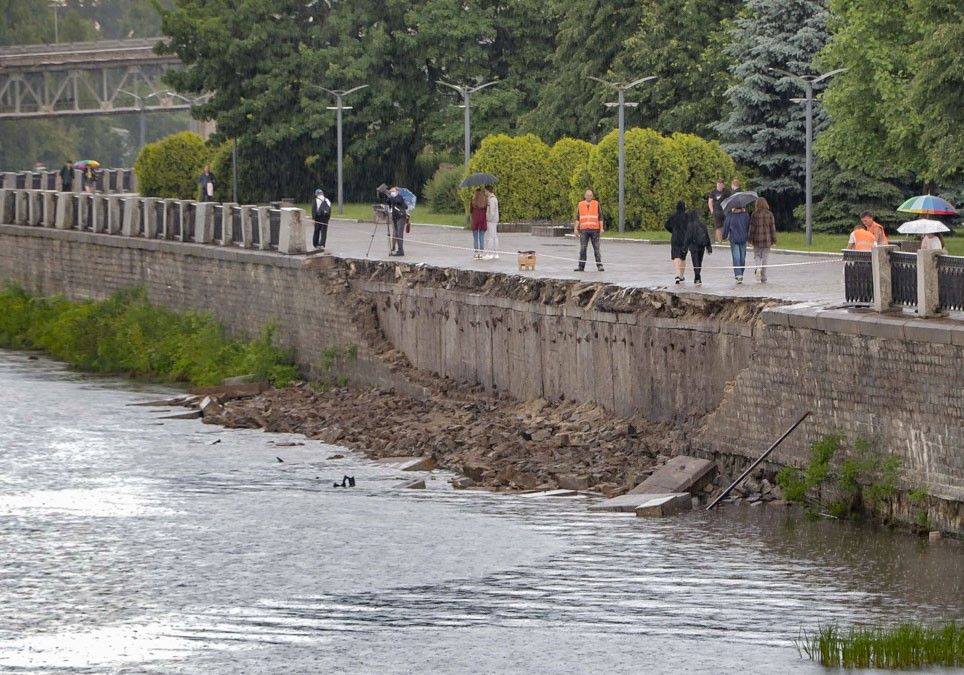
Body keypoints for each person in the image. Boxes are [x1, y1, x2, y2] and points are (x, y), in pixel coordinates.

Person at [574, 189, 604, 272]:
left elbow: (600, 217)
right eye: (587, 195)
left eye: (590, 195)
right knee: (583, 248)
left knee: (596, 248)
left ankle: (599, 265)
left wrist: (601, 228)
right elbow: (577, 218)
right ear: (585, 196)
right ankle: (581, 266)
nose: (589, 197)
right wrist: (576, 228)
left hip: (595, 230)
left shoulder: (596, 203)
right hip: (584, 230)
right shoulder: (580, 204)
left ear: (592, 196)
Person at [748, 197, 777, 283]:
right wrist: (774, 240)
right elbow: (772, 228)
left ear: (757, 204)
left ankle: (758, 267)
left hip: (756, 239)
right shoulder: (770, 214)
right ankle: (763, 276)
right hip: (767, 239)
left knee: (757, 255)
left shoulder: (754, 214)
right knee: (765, 257)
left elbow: (752, 228)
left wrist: (750, 239)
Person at [682, 210, 712, 286]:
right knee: (699, 262)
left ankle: (697, 277)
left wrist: (684, 247)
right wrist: (709, 247)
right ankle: (697, 277)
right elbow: (707, 236)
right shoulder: (702, 225)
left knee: (695, 262)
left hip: (693, 246)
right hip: (702, 246)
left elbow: (688, 237)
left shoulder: (690, 225)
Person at [722, 206, 750, 283]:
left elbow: (726, 227)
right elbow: (748, 226)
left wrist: (724, 236)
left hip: (735, 238)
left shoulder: (730, 215)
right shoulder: (745, 215)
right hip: (741, 238)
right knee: (741, 257)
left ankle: (739, 274)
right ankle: (740, 273)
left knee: (737, 257)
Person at [665, 200, 689, 283]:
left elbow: (667, 225)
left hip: (675, 238)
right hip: (685, 239)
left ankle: (677, 274)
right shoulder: (687, 217)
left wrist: (673, 231)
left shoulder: (673, 217)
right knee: (683, 257)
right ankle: (681, 275)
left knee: (676, 256)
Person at [385, 186, 408, 256]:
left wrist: (391, 197)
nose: (392, 193)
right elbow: (388, 203)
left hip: (400, 217)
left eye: (393, 191)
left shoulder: (399, 197)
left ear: (397, 192)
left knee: (399, 234)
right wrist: (388, 198)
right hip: (394, 217)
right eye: (391, 191)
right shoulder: (392, 198)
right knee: (395, 233)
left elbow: (397, 201)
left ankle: (401, 251)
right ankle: (395, 248)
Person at [707, 178, 730, 243]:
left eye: (720, 184)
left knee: (726, 225)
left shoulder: (727, 192)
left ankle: (725, 239)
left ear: (723, 185)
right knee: (718, 226)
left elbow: (730, 200)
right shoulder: (713, 192)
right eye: (718, 184)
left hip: (725, 211)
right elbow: (710, 201)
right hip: (717, 211)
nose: (719, 185)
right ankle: (720, 240)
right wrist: (711, 210)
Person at [470, 187, 487, 259]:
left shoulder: (472, 201)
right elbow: (486, 210)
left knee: (475, 237)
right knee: (482, 237)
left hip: (475, 221)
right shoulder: (485, 201)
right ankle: (482, 253)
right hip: (482, 220)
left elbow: (470, 211)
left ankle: (476, 253)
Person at [483, 185, 500, 260]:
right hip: (494, 220)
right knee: (494, 236)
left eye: (485, 191)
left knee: (490, 237)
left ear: (488, 191)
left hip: (491, 220)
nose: (484, 192)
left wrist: (488, 219)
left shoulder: (492, 199)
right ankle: (495, 253)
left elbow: (492, 211)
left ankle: (490, 253)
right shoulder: (492, 198)